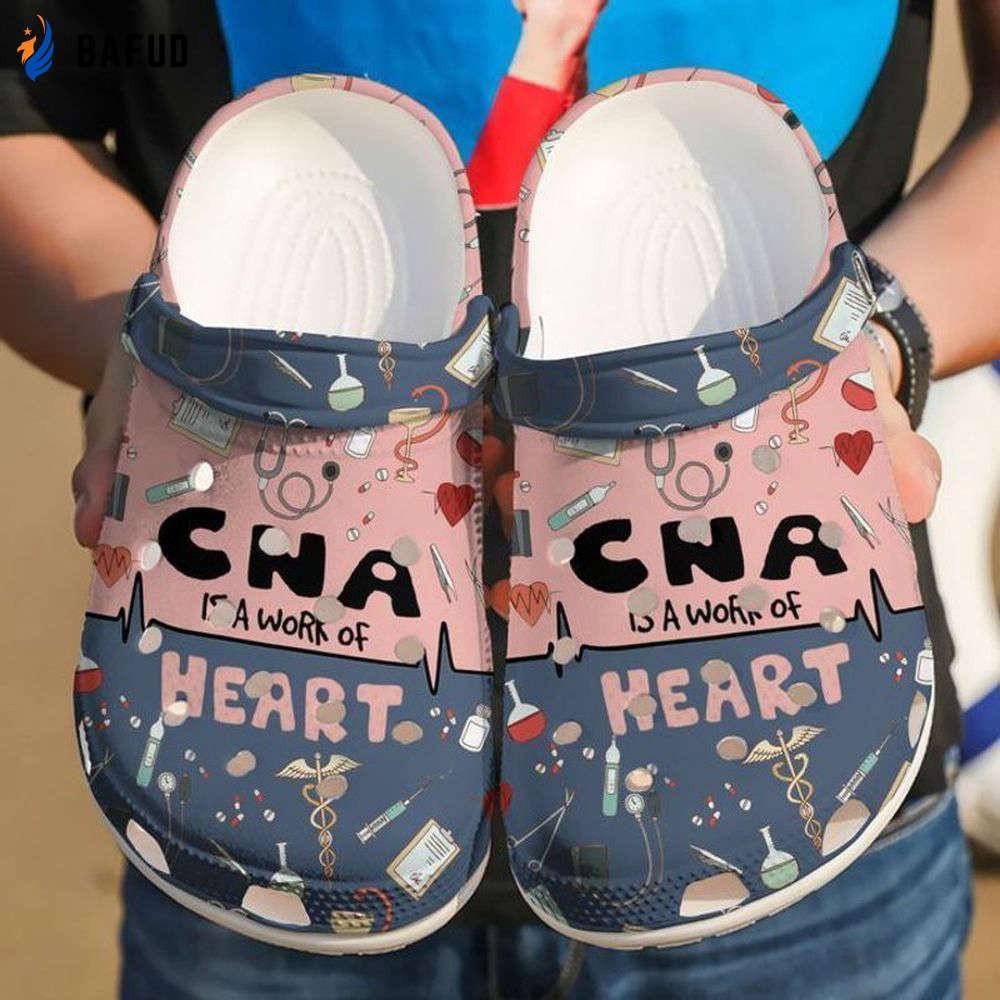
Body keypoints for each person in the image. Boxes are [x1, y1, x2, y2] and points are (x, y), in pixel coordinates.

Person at [1, 2, 997, 996]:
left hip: (815, 844)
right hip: (245, 845)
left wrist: (880, 341)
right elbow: (20, 106)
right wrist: (145, 356)